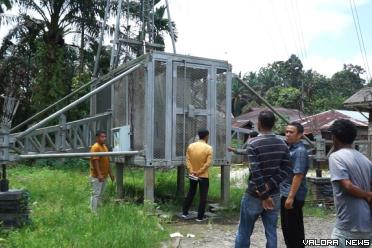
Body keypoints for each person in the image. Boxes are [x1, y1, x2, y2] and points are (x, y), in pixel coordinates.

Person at [234, 110, 292, 248]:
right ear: (274, 124)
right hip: (275, 194)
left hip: (254, 194)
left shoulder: (253, 144)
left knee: (244, 231)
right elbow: (288, 169)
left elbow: (256, 172)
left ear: (259, 124)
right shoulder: (282, 144)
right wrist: (270, 186)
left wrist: (264, 193)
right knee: (271, 231)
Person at [328, 119, 372, 247]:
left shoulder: (336, 157)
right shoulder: (365, 159)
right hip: (366, 224)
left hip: (349, 224)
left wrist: (367, 195)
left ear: (334, 138)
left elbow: (347, 185)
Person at [280, 122, 309, 248]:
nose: (287, 134)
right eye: (286, 131)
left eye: (291, 132)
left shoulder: (300, 151)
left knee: (293, 230)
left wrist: (290, 197)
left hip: (293, 195)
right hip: (286, 192)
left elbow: (298, 175)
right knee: (287, 229)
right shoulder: (290, 148)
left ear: (300, 135)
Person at [182, 129, 213, 222]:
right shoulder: (209, 148)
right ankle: (200, 217)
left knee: (191, 193)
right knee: (203, 196)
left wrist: (191, 170)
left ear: (198, 135)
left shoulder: (191, 146)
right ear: (206, 136)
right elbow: (207, 164)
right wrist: (199, 172)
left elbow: (187, 160)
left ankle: (184, 212)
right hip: (203, 176)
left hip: (192, 174)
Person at [89, 131, 115, 212]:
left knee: (101, 194)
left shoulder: (104, 147)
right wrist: (99, 175)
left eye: (104, 136)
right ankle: (93, 212)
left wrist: (111, 174)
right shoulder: (95, 147)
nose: (104, 138)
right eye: (102, 137)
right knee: (96, 194)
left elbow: (107, 161)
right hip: (97, 176)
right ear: (97, 138)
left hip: (104, 175)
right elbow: (95, 161)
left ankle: (98, 209)